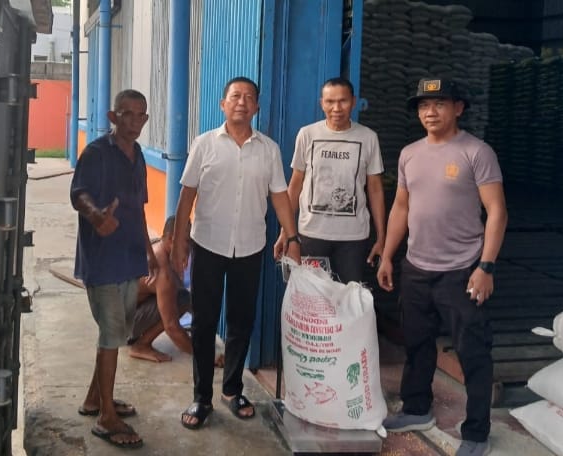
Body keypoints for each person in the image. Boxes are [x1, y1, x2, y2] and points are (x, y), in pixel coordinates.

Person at [376, 77, 508, 456]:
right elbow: (401, 206)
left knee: (473, 352)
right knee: (417, 344)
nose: (430, 112)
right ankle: (417, 409)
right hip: (417, 268)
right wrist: (387, 255)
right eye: (423, 106)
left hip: (462, 270)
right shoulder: (409, 153)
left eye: (439, 104)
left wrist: (486, 267)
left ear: (458, 108)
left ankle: (477, 432)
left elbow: (497, 211)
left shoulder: (476, 152)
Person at [171, 76, 301, 430]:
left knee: (242, 321)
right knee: (204, 322)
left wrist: (292, 237)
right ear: (223, 104)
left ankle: (232, 390)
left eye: (248, 97)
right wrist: (180, 241)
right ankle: (201, 397)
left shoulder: (268, 149)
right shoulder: (204, 144)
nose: (241, 102)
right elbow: (187, 195)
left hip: (250, 246)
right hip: (208, 244)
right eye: (235, 96)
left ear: (256, 106)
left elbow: (280, 196)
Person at [71, 89, 156, 449]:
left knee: (116, 334)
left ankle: (95, 399)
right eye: (127, 114)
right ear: (112, 116)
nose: (134, 121)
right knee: (110, 336)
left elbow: (139, 207)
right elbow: (78, 194)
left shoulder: (138, 155)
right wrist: (96, 216)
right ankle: (106, 417)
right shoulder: (96, 153)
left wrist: (149, 251)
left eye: (140, 115)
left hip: (130, 258)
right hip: (103, 259)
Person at [274, 77, 386, 283]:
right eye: (330, 101)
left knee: (348, 296)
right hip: (311, 234)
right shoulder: (307, 134)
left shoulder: (368, 137)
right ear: (321, 103)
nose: (336, 108)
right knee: (312, 297)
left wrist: (381, 237)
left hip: (353, 238)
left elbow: (375, 189)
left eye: (343, 101)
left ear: (353, 102)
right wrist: (286, 232)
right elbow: (295, 185)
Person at [127, 216, 225, 366]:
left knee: (182, 296)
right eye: (186, 241)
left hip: (122, 314)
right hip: (123, 326)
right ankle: (141, 345)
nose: (189, 247)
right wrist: (206, 355)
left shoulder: (159, 246)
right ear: (171, 239)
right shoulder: (163, 272)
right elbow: (171, 327)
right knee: (179, 300)